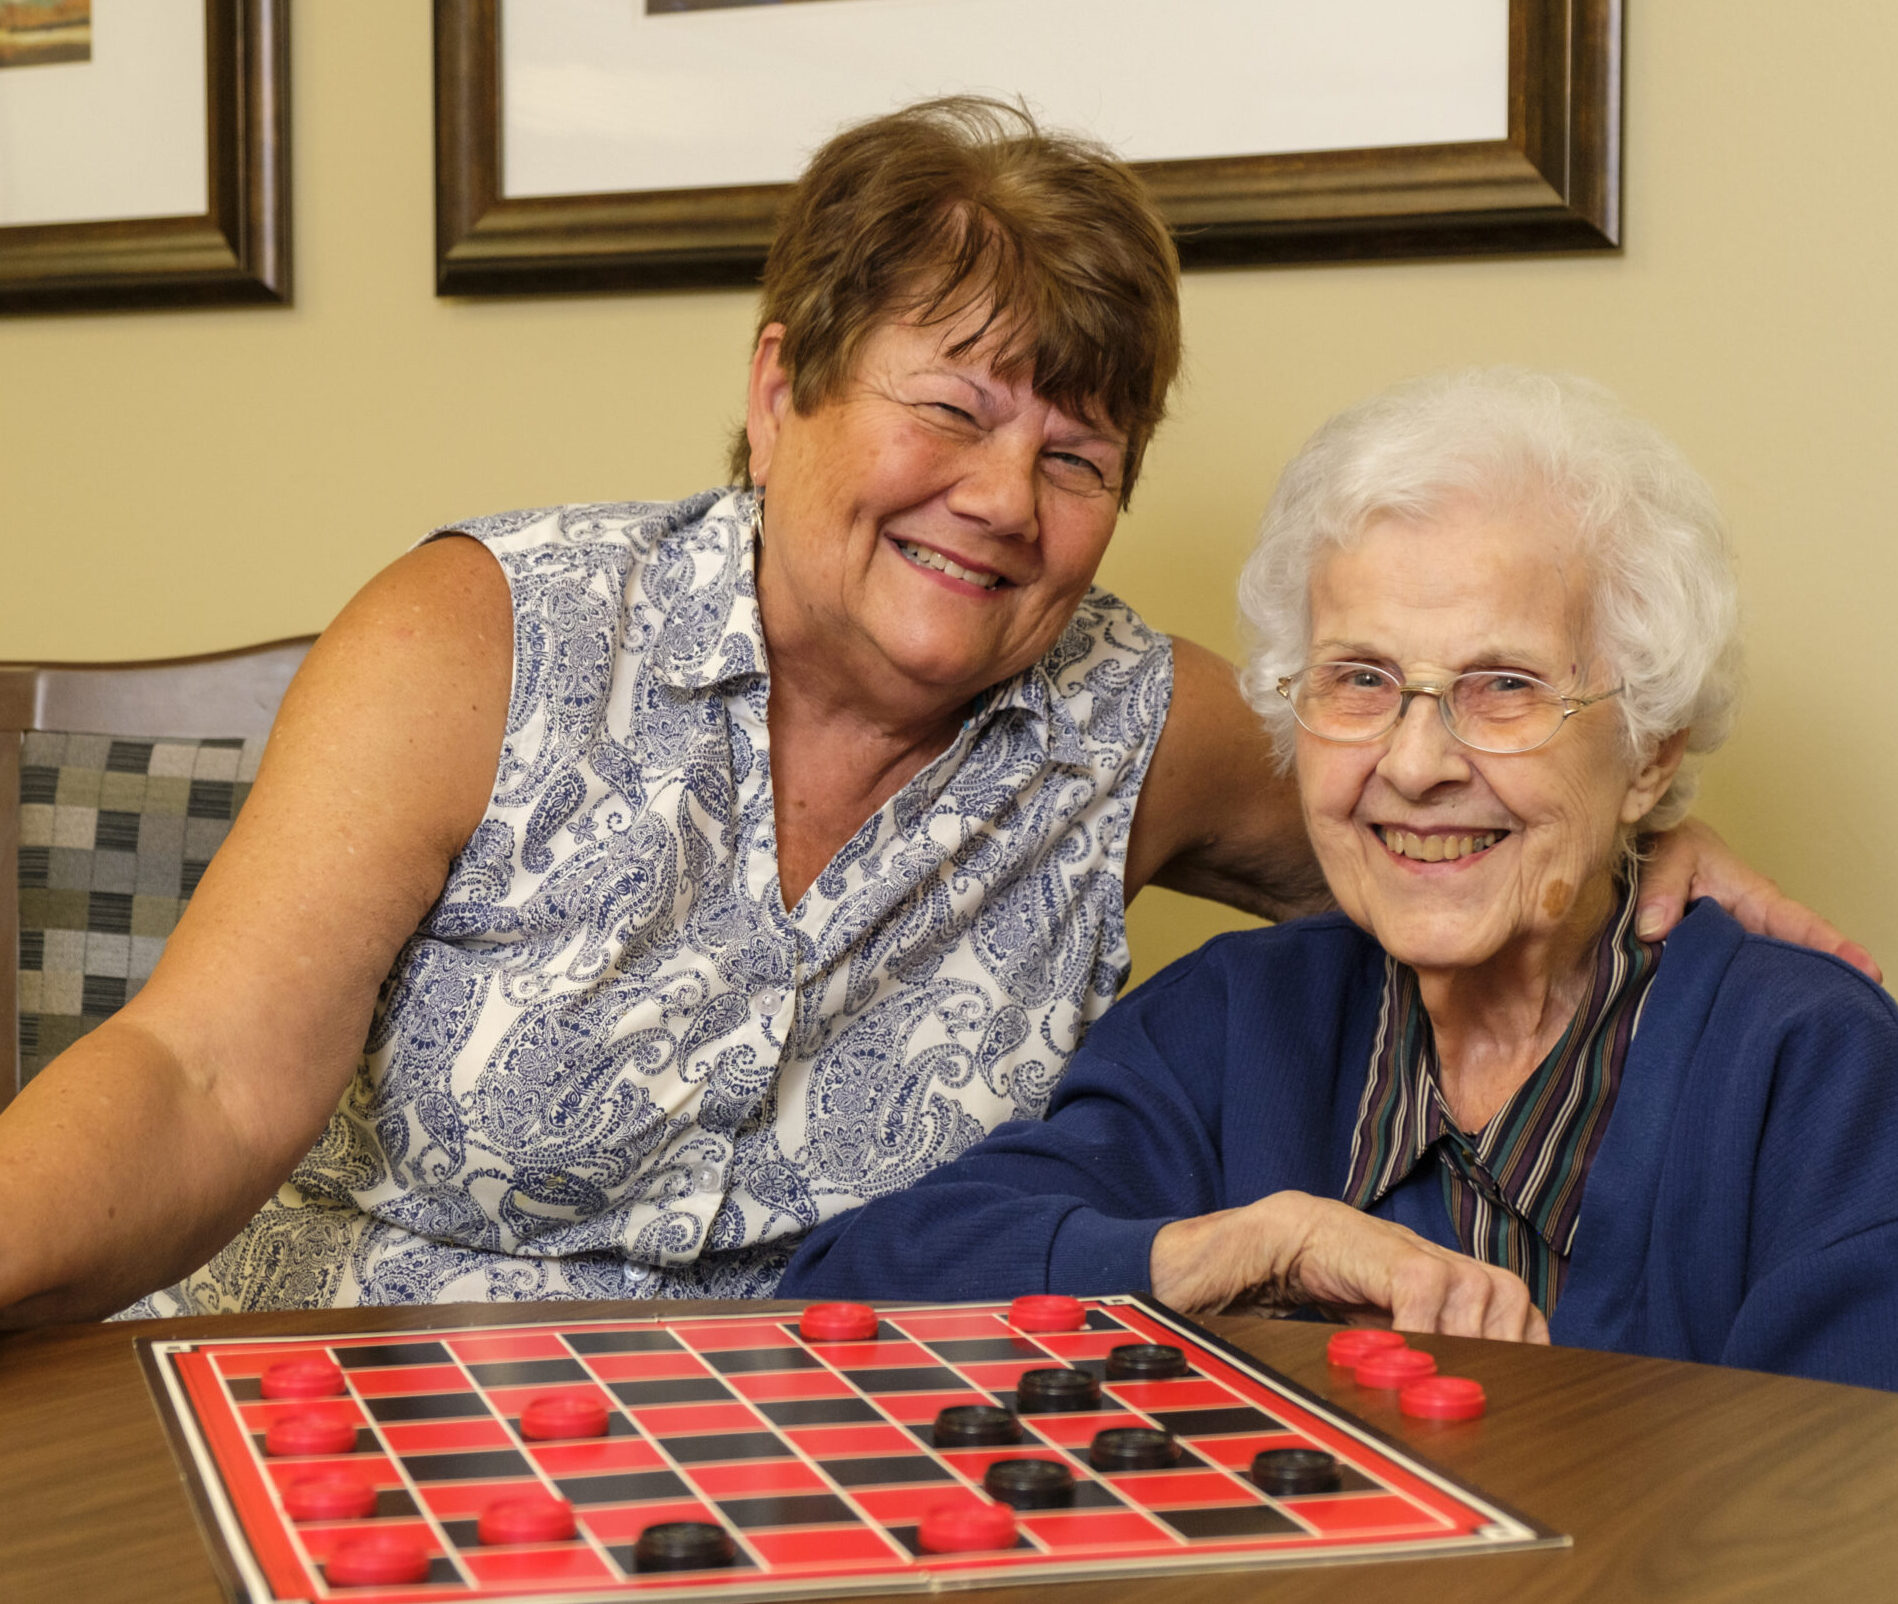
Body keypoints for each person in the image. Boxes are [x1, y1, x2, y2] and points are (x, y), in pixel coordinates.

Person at [0, 105, 1864, 1329]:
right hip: (348, 1430)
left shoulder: (1136, 722)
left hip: (830, 1484)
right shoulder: (487, 630)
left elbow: (1450, 825)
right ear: (779, 382)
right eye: (949, 407)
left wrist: (1634, 835)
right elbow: (196, 1079)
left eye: (1076, 452)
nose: (1000, 495)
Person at [781, 369, 1898, 1388]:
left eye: (1503, 685)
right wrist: (1226, 1250)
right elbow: (842, 1297)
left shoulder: (1814, 1073)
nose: (1413, 764)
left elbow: (1841, 1513)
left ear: (1649, 753)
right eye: (1358, 678)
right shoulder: (1226, 1026)